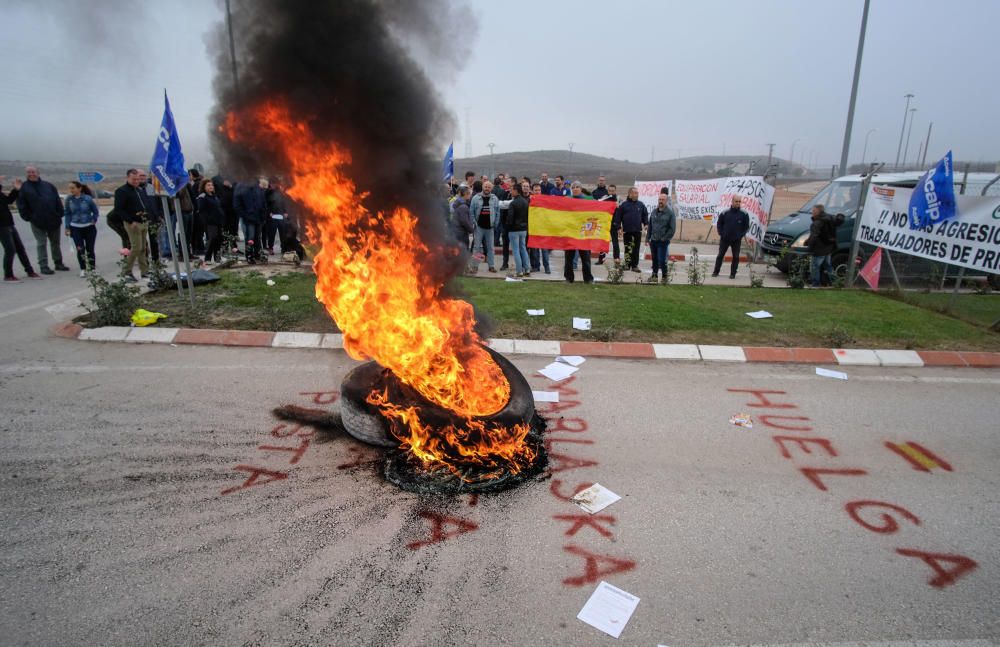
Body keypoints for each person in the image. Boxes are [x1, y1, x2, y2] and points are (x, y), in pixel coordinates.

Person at [16, 166, 67, 274]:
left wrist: (60, 213)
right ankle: (43, 265)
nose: (31, 174)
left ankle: (58, 263)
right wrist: (29, 217)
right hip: (37, 221)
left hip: (53, 219)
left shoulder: (48, 186)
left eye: (33, 172)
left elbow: (57, 200)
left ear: (38, 173)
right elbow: (21, 204)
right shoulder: (24, 188)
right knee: (41, 243)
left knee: (55, 243)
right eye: (29, 172)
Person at [1, 178, 41, 282]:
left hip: (9, 224)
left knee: (20, 248)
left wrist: (16, 190)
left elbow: (8, 200)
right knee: (10, 250)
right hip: (2, 226)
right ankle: (8, 275)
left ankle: (29, 271)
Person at [114, 169, 150, 282]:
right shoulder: (122, 191)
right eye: (133, 179)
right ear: (128, 178)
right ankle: (127, 271)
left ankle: (145, 271)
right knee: (136, 248)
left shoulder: (139, 190)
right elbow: (119, 209)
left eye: (137, 179)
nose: (136, 181)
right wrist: (130, 221)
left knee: (143, 248)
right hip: (132, 223)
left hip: (143, 221)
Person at [63, 181, 100, 276]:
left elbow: (95, 211)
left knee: (90, 249)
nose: (71, 190)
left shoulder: (87, 199)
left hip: (88, 227)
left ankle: (92, 268)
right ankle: (83, 269)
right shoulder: (69, 200)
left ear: (79, 188)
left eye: (73, 188)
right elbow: (67, 213)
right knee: (80, 249)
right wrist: (67, 227)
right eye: (70, 188)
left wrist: (94, 219)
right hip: (75, 228)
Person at [712, 195, 750, 279]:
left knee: (736, 257)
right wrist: (721, 233)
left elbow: (746, 227)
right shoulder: (725, 213)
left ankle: (733, 274)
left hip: (736, 240)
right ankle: (715, 272)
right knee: (720, 255)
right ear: (732, 201)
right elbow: (719, 224)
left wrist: (740, 236)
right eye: (736, 201)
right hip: (725, 239)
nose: (738, 203)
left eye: (739, 201)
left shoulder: (744, 214)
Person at [564, 181, 594, 284]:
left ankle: (588, 279)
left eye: (577, 187)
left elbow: (598, 210)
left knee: (585, 257)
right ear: (571, 189)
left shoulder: (588, 199)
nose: (575, 188)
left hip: (583, 233)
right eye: (573, 187)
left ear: (581, 189)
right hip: (570, 232)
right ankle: (569, 278)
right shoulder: (567, 199)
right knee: (568, 257)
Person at [613, 187, 648, 272]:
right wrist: (618, 228)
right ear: (630, 194)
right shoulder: (624, 205)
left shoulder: (641, 205)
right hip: (627, 231)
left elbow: (645, 215)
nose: (637, 194)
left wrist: (646, 224)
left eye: (637, 193)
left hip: (637, 231)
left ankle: (635, 266)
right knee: (628, 248)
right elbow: (618, 217)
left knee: (636, 248)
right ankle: (627, 265)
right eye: (635, 193)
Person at [234, 177, 268, 263]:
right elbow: (237, 205)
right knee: (250, 238)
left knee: (257, 238)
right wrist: (245, 215)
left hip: (258, 217)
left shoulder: (257, 186)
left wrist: (263, 215)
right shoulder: (240, 186)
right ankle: (249, 256)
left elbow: (263, 201)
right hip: (248, 218)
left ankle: (257, 254)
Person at [469, 180, 499, 273]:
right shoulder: (475, 198)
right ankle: (474, 266)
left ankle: (491, 266)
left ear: (491, 188)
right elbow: (471, 212)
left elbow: (498, 212)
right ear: (482, 187)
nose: (487, 188)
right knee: (476, 247)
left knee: (490, 247)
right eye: (485, 186)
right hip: (479, 227)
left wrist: (495, 224)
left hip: (490, 227)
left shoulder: (495, 198)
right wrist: (474, 222)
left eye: (489, 187)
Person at [646, 191, 676, 282]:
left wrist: (665, 238)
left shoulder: (670, 213)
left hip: (663, 241)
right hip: (653, 240)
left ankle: (664, 277)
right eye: (659, 199)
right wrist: (647, 238)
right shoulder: (654, 212)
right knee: (654, 260)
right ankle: (654, 276)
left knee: (662, 260)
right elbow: (650, 226)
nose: (660, 201)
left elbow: (672, 229)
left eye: (663, 199)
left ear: (666, 201)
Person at [806, 203, 836, 287]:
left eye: (813, 211)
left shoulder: (817, 223)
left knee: (815, 267)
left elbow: (814, 236)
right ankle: (834, 282)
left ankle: (815, 284)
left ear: (818, 212)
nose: (812, 212)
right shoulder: (830, 218)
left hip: (819, 249)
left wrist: (809, 248)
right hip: (828, 248)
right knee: (828, 265)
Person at [199, 179, 225, 265]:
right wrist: (206, 220)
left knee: (218, 240)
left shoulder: (214, 196)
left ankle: (217, 258)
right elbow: (201, 211)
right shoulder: (202, 197)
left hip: (218, 221)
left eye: (212, 185)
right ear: (204, 187)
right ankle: (207, 258)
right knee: (212, 239)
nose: (211, 187)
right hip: (210, 223)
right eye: (208, 185)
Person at [507, 182, 530, 277]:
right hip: (523, 229)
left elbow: (510, 218)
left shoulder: (513, 203)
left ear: (516, 191)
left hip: (514, 230)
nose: (510, 191)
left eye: (512, 190)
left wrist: (507, 225)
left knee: (516, 250)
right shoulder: (526, 202)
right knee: (523, 249)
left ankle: (519, 270)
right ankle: (527, 268)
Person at [528, 182, 551, 274]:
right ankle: (536, 266)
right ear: (532, 191)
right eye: (536, 190)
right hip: (534, 228)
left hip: (543, 229)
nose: (538, 192)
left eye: (539, 190)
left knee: (545, 250)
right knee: (534, 250)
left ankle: (547, 267)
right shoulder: (530, 200)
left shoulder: (546, 200)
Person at [595, 183, 619, 264]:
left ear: (615, 191)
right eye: (610, 191)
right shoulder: (604, 198)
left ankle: (616, 258)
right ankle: (601, 259)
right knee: (603, 241)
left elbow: (620, 213)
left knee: (615, 242)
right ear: (607, 190)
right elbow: (598, 205)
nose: (611, 192)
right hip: (605, 223)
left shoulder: (617, 200)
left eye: (613, 191)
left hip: (614, 224)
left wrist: (618, 224)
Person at [492, 177, 511, 270]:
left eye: (509, 182)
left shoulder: (517, 196)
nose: (507, 184)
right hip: (504, 221)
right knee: (505, 244)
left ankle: (522, 265)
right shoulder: (505, 192)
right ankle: (504, 263)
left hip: (514, 225)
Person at [265, 178, 288, 254]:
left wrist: (286, 212)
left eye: (275, 183)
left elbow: (285, 203)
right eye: (272, 183)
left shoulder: (282, 192)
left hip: (281, 216)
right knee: (271, 233)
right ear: (270, 184)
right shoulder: (267, 193)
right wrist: (269, 212)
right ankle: (270, 248)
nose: (274, 185)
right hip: (272, 216)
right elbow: (265, 204)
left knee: (283, 233)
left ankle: (283, 248)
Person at [449, 185, 474, 251]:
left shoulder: (458, 203)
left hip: (456, 232)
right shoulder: (463, 207)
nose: (470, 196)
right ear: (466, 194)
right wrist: (472, 230)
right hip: (461, 234)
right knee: (462, 253)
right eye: (469, 194)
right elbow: (465, 221)